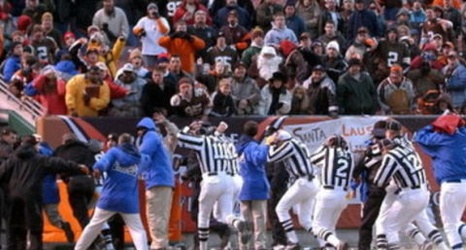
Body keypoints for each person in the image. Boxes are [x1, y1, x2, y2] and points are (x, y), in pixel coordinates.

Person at [0, 135, 88, 250]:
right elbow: (59, 163)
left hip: (14, 196)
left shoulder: (13, 158)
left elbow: (1, 173)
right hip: (31, 196)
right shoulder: (39, 159)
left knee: (15, 228)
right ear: (35, 146)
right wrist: (78, 167)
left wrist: (10, 186)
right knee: (35, 229)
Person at [177, 120, 248, 250]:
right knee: (223, 215)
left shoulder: (203, 141)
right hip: (231, 179)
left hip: (212, 179)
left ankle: (203, 247)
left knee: (203, 215)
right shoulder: (227, 143)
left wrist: (188, 127)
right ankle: (238, 224)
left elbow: (180, 137)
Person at [74, 133, 148, 250]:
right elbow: (146, 164)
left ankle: (78, 248)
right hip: (129, 201)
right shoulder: (140, 158)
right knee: (138, 231)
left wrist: (98, 168)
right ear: (132, 143)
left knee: (93, 226)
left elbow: (103, 162)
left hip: (109, 198)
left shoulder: (114, 152)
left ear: (120, 143)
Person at [373, 125, 430, 249]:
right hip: (423, 191)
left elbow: (379, 181)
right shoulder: (408, 148)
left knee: (388, 225)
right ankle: (425, 243)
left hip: (409, 194)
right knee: (403, 222)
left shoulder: (391, 156)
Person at [414, 114, 466, 249]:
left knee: (449, 225)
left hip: (451, 185)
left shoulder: (442, 139)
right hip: (464, 184)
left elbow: (419, 136)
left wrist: (433, 123)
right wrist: (456, 123)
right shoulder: (463, 136)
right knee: (455, 221)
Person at [267, 129, 318, 250]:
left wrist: (271, 144)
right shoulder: (299, 143)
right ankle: (328, 242)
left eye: (278, 142)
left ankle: (293, 241)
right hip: (312, 181)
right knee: (306, 220)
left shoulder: (289, 145)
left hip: (303, 182)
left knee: (280, 209)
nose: (277, 145)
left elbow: (270, 157)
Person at [136, 117, 175, 250]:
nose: (139, 133)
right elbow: (175, 134)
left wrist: (133, 174)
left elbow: (144, 156)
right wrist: (166, 122)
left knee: (154, 215)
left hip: (156, 181)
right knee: (162, 216)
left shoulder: (150, 137)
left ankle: (158, 246)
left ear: (145, 129)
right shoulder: (161, 141)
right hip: (166, 181)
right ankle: (163, 244)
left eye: (140, 129)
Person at [310, 135, 353, 250]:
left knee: (317, 227)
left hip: (328, 192)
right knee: (330, 227)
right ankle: (331, 247)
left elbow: (312, 159)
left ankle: (337, 243)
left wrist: (324, 145)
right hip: (343, 194)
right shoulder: (350, 155)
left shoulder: (329, 152)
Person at [352, 120, 387, 250]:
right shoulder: (393, 146)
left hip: (373, 188)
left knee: (369, 221)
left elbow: (359, 166)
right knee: (385, 219)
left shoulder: (368, 147)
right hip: (385, 187)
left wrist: (354, 180)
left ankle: (368, 246)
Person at [235, 121, 270, 250]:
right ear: (256, 132)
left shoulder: (238, 147)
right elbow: (259, 159)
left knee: (244, 220)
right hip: (257, 185)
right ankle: (259, 245)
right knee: (259, 218)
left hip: (243, 186)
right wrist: (266, 145)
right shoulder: (252, 146)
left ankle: (243, 246)